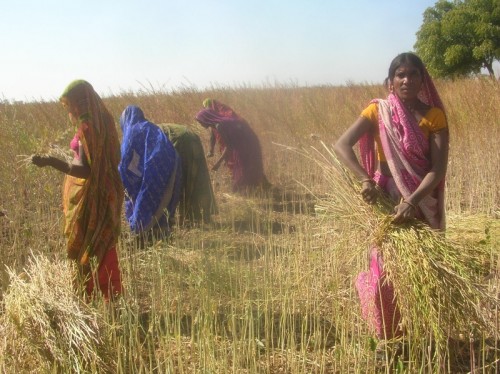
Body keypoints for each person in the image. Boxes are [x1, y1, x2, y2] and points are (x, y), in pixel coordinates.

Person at [333, 52, 449, 339]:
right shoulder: (378, 111)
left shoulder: (434, 117)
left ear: (423, 80)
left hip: (420, 199)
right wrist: (365, 180)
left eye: (413, 74)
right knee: (383, 268)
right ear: (391, 81)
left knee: (422, 269)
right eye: (401, 74)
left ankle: (425, 333)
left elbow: (438, 169)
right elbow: (342, 145)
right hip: (385, 198)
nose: (407, 79)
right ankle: (388, 335)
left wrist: (412, 200)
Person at [31, 80, 124, 300]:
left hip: (94, 195)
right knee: (104, 241)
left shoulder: (87, 125)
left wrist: (51, 162)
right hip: (108, 190)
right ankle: (112, 293)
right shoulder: (104, 119)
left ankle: (89, 292)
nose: (70, 109)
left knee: (89, 244)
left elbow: (84, 170)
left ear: (79, 101)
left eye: (71, 104)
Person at [119, 105, 182, 240]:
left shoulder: (132, 132)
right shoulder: (151, 127)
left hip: (155, 166)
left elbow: (126, 164)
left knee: (145, 200)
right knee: (163, 198)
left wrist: (123, 181)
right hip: (172, 162)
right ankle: (160, 232)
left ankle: (142, 234)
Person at [195, 99, 269, 192]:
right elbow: (213, 136)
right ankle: (257, 187)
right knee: (246, 167)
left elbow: (229, 147)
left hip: (244, 145)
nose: (201, 124)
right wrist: (211, 150)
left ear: (207, 118)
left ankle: (248, 190)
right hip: (240, 144)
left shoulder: (220, 126)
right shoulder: (214, 124)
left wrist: (218, 163)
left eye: (201, 122)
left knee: (242, 169)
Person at [158, 122, 218, 224]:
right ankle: (203, 215)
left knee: (182, 179)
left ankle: (185, 217)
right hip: (192, 137)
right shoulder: (155, 128)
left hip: (181, 141)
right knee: (199, 176)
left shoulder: (147, 134)